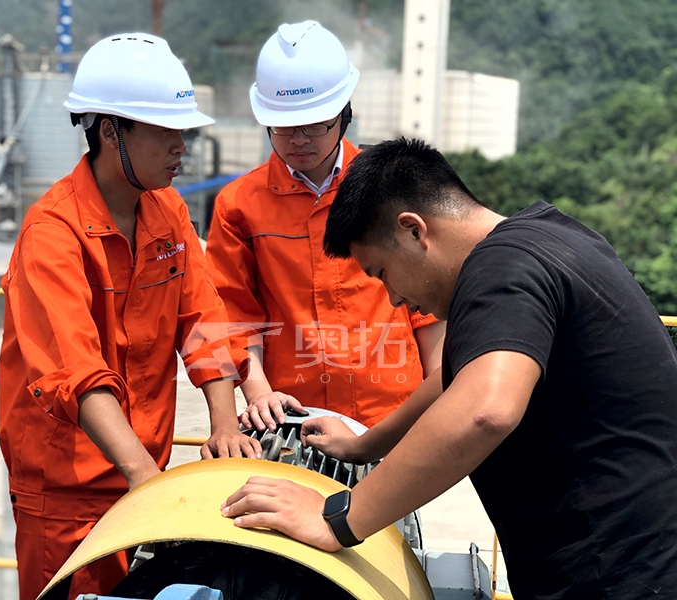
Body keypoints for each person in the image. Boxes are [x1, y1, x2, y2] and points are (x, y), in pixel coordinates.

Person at [221, 137, 677, 598]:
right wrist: (365, 445)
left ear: (413, 230)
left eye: (381, 273)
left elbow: (485, 410)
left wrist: (337, 520)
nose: (394, 298)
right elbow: (457, 377)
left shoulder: (502, 269)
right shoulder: (549, 238)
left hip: (615, 575)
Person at [0, 33, 260, 600]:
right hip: (67, 495)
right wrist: (145, 480)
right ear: (110, 131)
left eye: (184, 131)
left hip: (142, 474)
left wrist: (224, 423)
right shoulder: (52, 234)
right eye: (166, 131)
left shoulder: (168, 210)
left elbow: (203, 318)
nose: (181, 146)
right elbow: (77, 372)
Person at [205, 21, 445, 432]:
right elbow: (234, 315)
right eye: (283, 125)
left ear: (343, 113)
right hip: (296, 419)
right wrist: (259, 394)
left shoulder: (391, 188)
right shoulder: (239, 205)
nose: (298, 139)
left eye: (315, 123)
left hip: (394, 416)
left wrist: (436, 398)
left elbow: (429, 305)